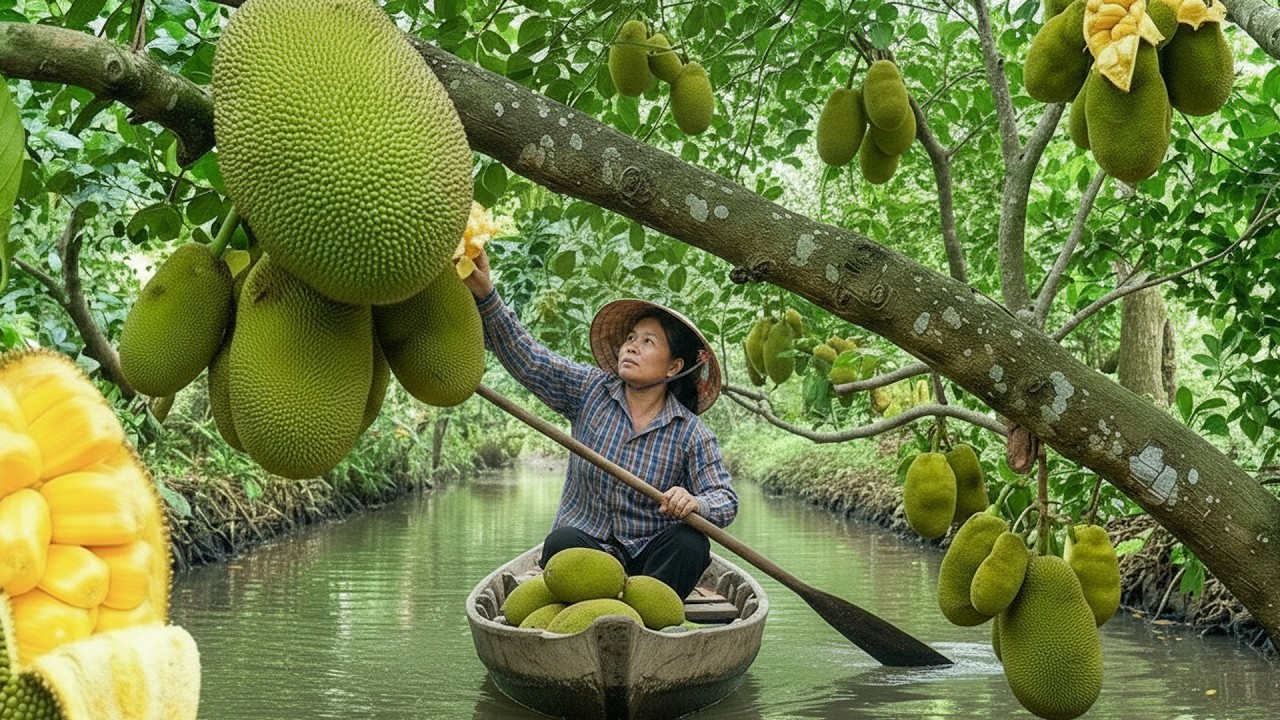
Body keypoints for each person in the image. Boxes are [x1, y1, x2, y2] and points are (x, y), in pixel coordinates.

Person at [463, 248, 738, 600]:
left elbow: (725, 500)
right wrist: (486, 294)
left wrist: (695, 503)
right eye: (630, 339)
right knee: (562, 541)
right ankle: (600, 609)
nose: (632, 348)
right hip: (587, 552)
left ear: (673, 367)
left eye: (647, 342)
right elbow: (529, 358)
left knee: (691, 543)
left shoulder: (691, 433)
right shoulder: (590, 390)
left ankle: (643, 620)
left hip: (650, 566)